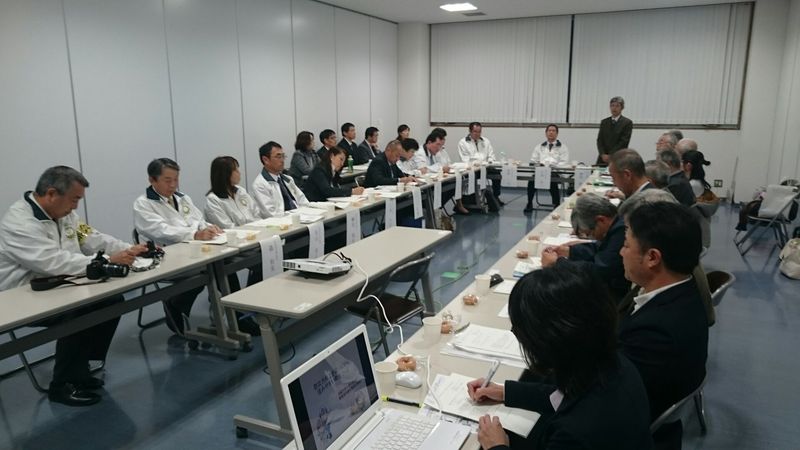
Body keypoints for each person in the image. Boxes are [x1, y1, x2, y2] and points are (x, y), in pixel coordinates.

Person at [467, 261, 652, 450]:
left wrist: (496, 446)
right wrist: (506, 392)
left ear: (547, 339)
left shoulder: (576, 432)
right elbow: (564, 396)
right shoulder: (612, 362)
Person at [0, 166, 145, 406]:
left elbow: (91, 237)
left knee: (112, 301)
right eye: (74, 199)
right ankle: (62, 385)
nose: (76, 206)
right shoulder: (19, 222)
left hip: (62, 284)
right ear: (51, 194)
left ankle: (80, 370)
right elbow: (53, 262)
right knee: (78, 312)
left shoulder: (65, 215)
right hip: (22, 296)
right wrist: (106, 261)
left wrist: (127, 249)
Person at [618, 202, 708, 437]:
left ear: (652, 257)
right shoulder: (683, 290)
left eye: (626, 245)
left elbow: (607, 396)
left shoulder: (656, 331)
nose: (621, 252)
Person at [133, 158, 222, 335]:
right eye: (168, 180)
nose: (173, 185)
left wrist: (208, 228)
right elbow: (161, 230)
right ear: (152, 180)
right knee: (212, 269)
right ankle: (176, 305)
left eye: (176, 179)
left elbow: (198, 220)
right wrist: (194, 234)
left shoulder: (182, 198)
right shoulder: (143, 204)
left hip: (192, 251)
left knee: (223, 264)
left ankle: (236, 315)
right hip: (166, 257)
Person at [203, 156, 262, 335]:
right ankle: (238, 316)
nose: (239, 173)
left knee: (271, 255)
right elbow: (227, 228)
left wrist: (253, 228)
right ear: (225, 174)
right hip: (229, 248)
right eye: (235, 170)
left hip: (252, 241)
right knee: (226, 270)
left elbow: (256, 215)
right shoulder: (213, 200)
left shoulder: (241, 192)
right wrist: (250, 229)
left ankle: (252, 303)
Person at [541, 193, 628, 303]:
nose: (592, 238)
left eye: (589, 233)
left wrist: (557, 263)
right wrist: (570, 251)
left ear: (601, 220)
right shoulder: (616, 224)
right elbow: (599, 248)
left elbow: (599, 271)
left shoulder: (621, 232)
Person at [414, 133, 469, 215]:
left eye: (440, 145)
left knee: (456, 183)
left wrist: (440, 168)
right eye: (437, 144)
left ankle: (438, 209)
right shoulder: (420, 153)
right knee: (446, 188)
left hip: (434, 181)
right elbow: (423, 170)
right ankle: (434, 210)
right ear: (429, 143)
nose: (439, 148)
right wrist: (440, 168)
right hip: (423, 184)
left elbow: (439, 165)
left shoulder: (433, 151)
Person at [252, 141, 310, 217]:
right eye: (278, 157)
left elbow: (303, 201)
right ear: (265, 159)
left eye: (283, 156)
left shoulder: (288, 179)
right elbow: (271, 214)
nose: (282, 160)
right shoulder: (260, 184)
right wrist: (296, 215)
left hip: (301, 218)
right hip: (282, 222)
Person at [526, 124, 569, 212]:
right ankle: (529, 203)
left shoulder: (563, 147)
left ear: (557, 134)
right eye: (549, 131)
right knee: (531, 181)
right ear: (546, 133)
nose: (551, 132)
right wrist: (538, 164)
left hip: (555, 172)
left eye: (553, 131)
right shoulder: (539, 146)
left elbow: (564, 162)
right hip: (540, 172)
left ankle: (556, 205)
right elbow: (533, 160)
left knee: (552, 181)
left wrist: (553, 166)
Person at [457, 122, 503, 203]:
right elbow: (465, 159)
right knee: (471, 177)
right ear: (470, 131)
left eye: (479, 132)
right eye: (475, 131)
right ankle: (472, 199)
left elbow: (491, 155)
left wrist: (490, 161)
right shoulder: (463, 143)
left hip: (485, 168)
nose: (477, 134)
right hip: (472, 170)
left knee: (497, 174)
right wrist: (478, 162)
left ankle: (496, 197)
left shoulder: (485, 141)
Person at [596, 96, 633, 166]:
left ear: (622, 108)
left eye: (617, 106)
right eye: (612, 106)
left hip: (618, 156)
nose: (614, 108)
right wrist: (602, 154)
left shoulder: (627, 123)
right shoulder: (604, 122)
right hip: (603, 157)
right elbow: (599, 140)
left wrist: (611, 155)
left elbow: (624, 142)